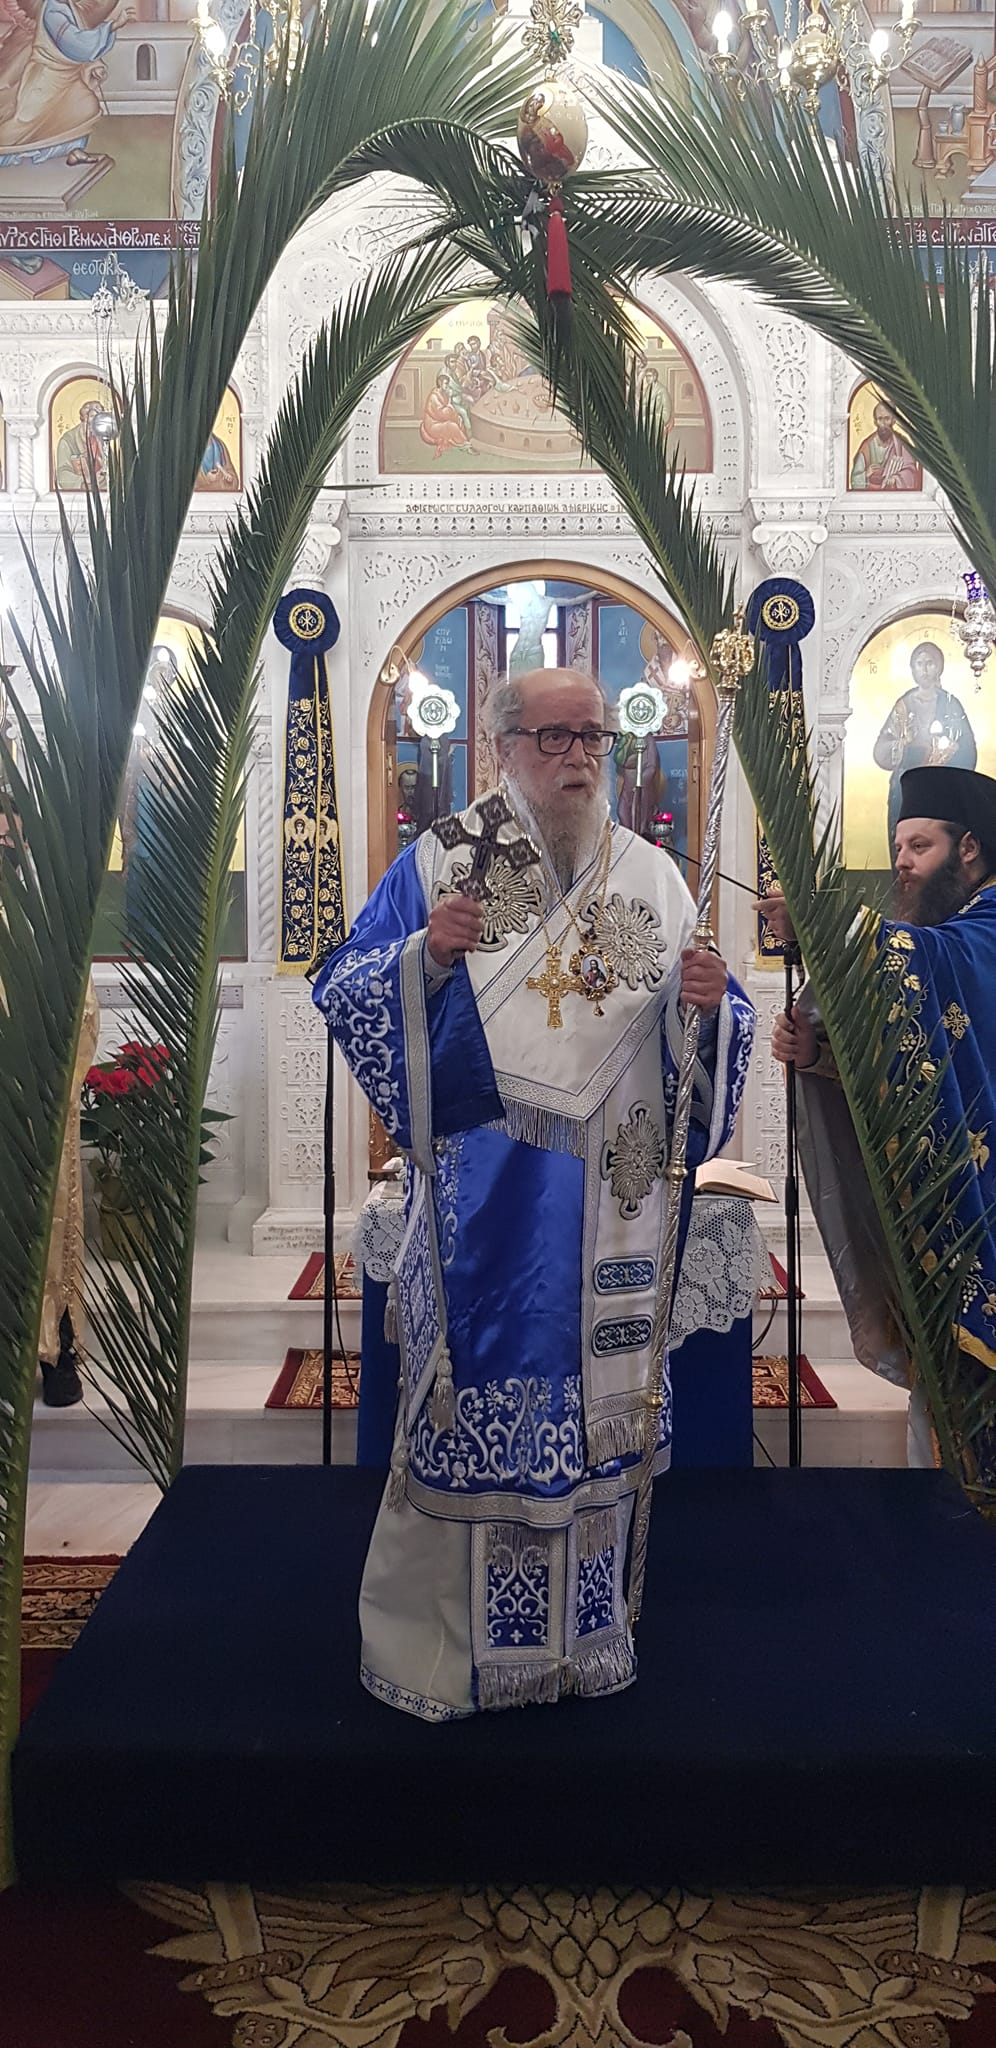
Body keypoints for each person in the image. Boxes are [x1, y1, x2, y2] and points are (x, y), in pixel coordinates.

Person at [314, 667, 755, 1720]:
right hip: (488, 1209)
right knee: (471, 1412)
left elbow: (703, 1032)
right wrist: (426, 957)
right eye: (555, 737)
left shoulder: (651, 874)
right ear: (502, 744)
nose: (579, 759)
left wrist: (711, 1008)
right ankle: (442, 1655)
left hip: (613, 1203)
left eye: (593, 738)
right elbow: (348, 982)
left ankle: (585, 1644)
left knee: (597, 1422)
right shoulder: (444, 859)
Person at [764, 763, 996, 1467]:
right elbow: (922, 1064)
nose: (902, 863)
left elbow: (934, 965)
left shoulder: (980, 933)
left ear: (969, 849)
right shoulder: (952, 935)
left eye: (919, 846)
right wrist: (819, 1055)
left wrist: (820, 923)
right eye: (898, 847)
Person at [873, 641, 976, 859]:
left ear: (939, 667)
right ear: (912, 668)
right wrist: (905, 747)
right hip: (906, 789)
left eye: (930, 663)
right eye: (919, 664)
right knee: (906, 843)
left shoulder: (950, 705)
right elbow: (881, 749)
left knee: (938, 845)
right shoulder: (903, 705)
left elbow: (968, 750)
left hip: (941, 788)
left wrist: (945, 755)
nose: (925, 669)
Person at [849, 397, 922, 492]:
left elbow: (912, 473)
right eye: (880, 419)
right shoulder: (866, 447)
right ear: (875, 422)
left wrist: (896, 479)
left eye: (887, 419)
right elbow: (854, 481)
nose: (883, 424)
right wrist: (866, 474)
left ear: (894, 420)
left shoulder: (902, 445)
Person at [418, 373, 469, 458]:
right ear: (440, 383)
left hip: (441, 421)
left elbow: (448, 412)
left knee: (459, 420)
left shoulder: (443, 394)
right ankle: (465, 445)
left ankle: (461, 442)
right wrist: (449, 402)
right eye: (446, 384)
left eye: (448, 384)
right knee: (452, 426)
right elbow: (442, 413)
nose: (447, 386)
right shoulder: (434, 396)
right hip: (433, 424)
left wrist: (455, 415)